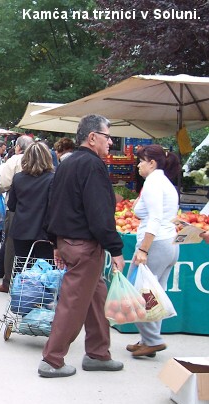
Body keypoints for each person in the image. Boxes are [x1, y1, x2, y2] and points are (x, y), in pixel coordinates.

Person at [39, 114, 125, 378]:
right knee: (74, 302)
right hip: (85, 246)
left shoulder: (67, 163)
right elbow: (100, 213)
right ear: (92, 137)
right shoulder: (92, 166)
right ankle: (52, 360)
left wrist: (56, 242)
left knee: (95, 297)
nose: (110, 142)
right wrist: (116, 248)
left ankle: (99, 353)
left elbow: (52, 204)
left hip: (70, 242)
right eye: (107, 136)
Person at [126, 145, 180, 358]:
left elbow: (155, 218)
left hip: (156, 244)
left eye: (141, 161)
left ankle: (154, 340)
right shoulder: (164, 182)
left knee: (140, 293)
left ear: (152, 163)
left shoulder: (153, 183)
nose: (138, 165)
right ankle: (148, 339)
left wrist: (143, 249)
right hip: (169, 244)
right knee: (155, 293)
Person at [0, 135, 34, 293]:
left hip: (15, 208)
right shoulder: (41, 159)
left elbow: (2, 184)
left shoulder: (15, 160)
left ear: (18, 147)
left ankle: (8, 280)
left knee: (11, 243)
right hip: (38, 209)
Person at [7, 141, 54, 262]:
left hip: (21, 230)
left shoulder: (18, 178)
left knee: (22, 268)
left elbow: (11, 205)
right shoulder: (52, 179)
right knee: (44, 273)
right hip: (44, 233)